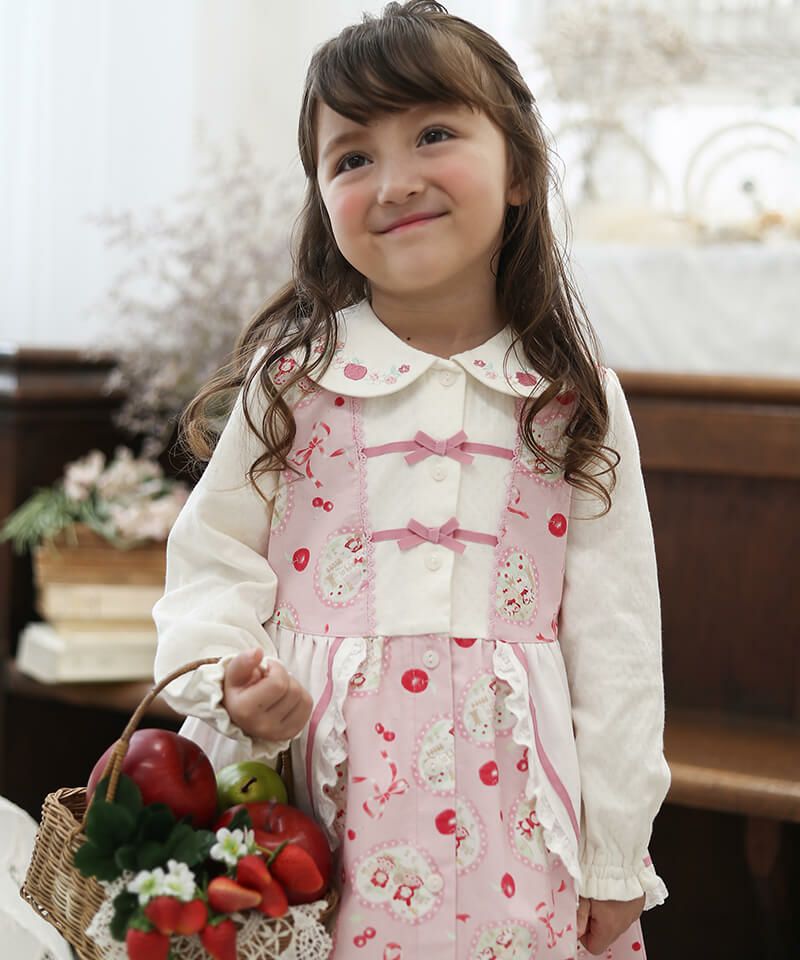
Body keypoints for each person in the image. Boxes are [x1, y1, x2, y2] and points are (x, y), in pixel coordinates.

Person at [152, 2, 671, 957]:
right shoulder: (292, 382)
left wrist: (613, 855)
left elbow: (619, 643)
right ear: (321, 198)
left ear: (518, 169)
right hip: (310, 814)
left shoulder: (572, 399)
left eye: (433, 134)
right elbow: (211, 560)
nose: (394, 182)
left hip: (518, 817)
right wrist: (229, 676)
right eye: (352, 157)